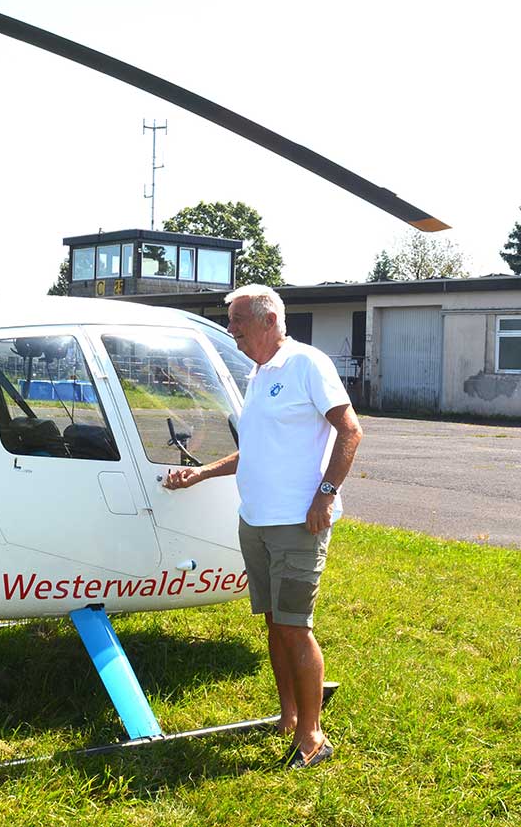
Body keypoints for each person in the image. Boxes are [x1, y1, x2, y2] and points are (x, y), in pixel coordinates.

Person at [164, 284, 363, 768]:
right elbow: (255, 451)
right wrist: (203, 472)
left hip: (299, 521)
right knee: (275, 623)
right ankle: (289, 716)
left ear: (268, 320)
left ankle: (314, 737)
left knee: (296, 626)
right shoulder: (258, 373)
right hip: (255, 520)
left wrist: (326, 494)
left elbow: (351, 430)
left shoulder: (306, 365)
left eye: (237, 321)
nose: (230, 329)